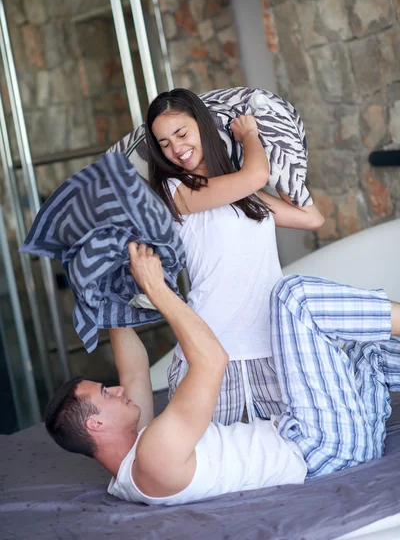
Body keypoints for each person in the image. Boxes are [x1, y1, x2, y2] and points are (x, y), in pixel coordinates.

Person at [45, 242, 400, 506]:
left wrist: (103, 291)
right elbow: (212, 359)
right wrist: (156, 288)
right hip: (322, 449)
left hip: (337, 442)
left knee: (365, 348)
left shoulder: (135, 462)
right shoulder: (154, 457)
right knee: (294, 299)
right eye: (106, 395)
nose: (120, 390)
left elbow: (135, 370)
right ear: (96, 425)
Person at [144, 88, 325, 424]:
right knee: (207, 462)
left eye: (181, 133)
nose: (176, 149)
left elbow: (311, 219)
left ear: (203, 124)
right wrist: (251, 135)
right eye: (164, 143)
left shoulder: (245, 195)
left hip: (271, 346)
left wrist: (288, 179)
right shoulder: (174, 193)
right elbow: (255, 173)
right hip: (209, 351)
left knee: (297, 453)